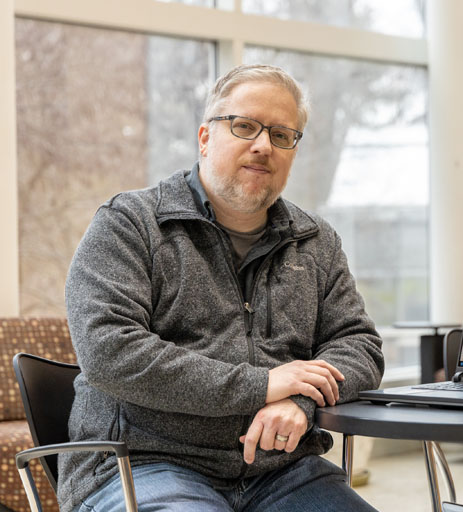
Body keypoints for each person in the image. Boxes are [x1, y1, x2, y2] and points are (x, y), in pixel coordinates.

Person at [59, 64, 385, 512]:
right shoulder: (129, 225)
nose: (263, 146)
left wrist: (298, 402)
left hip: (283, 470)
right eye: (244, 126)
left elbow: (359, 344)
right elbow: (110, 351)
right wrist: (263, 384)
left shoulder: (316, 242)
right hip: (143, 465)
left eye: (281, 135)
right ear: (205, 137)